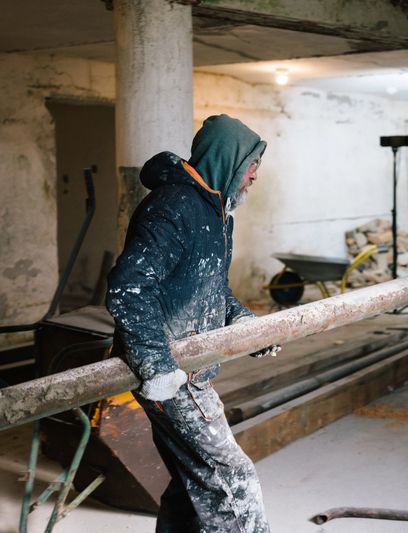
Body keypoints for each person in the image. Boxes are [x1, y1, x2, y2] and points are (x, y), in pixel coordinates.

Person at [106, 114, 275, 533]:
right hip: (173, 375)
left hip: (193, 367)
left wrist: (244, 324)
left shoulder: (216, 213)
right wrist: (157, 367)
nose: (254, 175)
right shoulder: (172, 208)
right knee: (232, 483)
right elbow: (128, 288)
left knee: (191, 485)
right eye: (251, 164)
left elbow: (209, 289)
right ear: (228, 160)